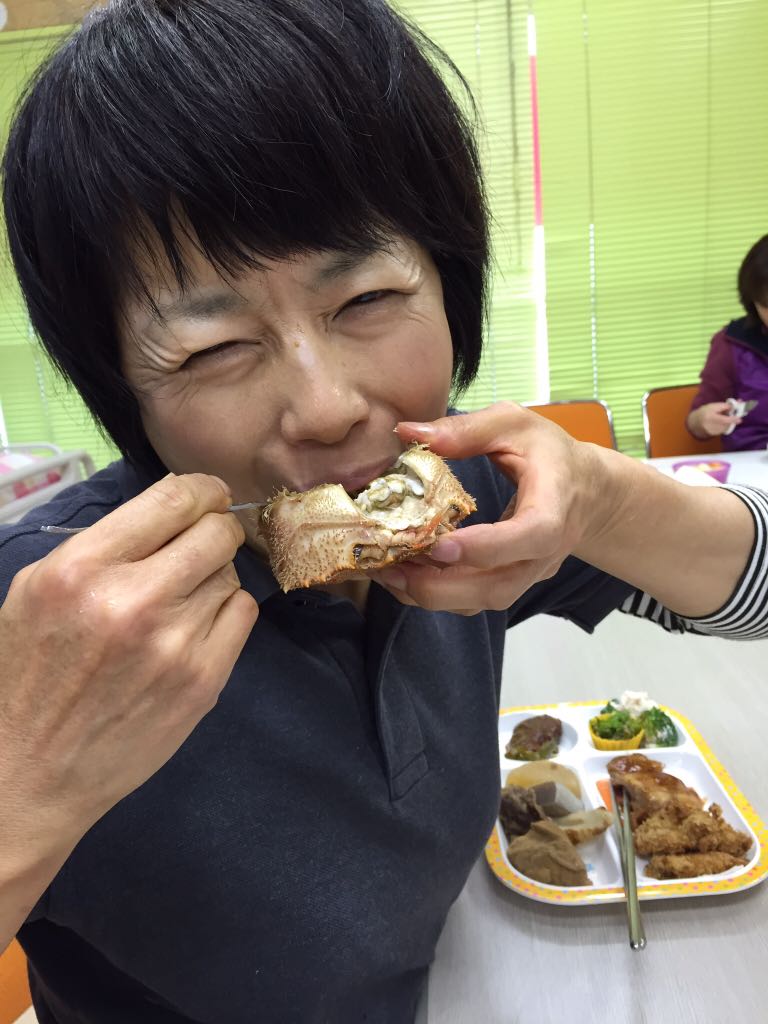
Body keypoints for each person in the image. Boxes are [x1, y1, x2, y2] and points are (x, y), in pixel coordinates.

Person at [0, 2, 767, 1022]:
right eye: (211, 348)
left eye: (365, 298)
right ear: (121, 387)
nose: (326, 407)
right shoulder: (50, 617)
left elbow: (754, 596)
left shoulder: (473, 493)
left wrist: (604, 496)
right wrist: (25, 789)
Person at [687, 234, 768, 449]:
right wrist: (702, 420)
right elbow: (696, 424)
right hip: (751, 461)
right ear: (752, 301)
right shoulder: (731, 343)